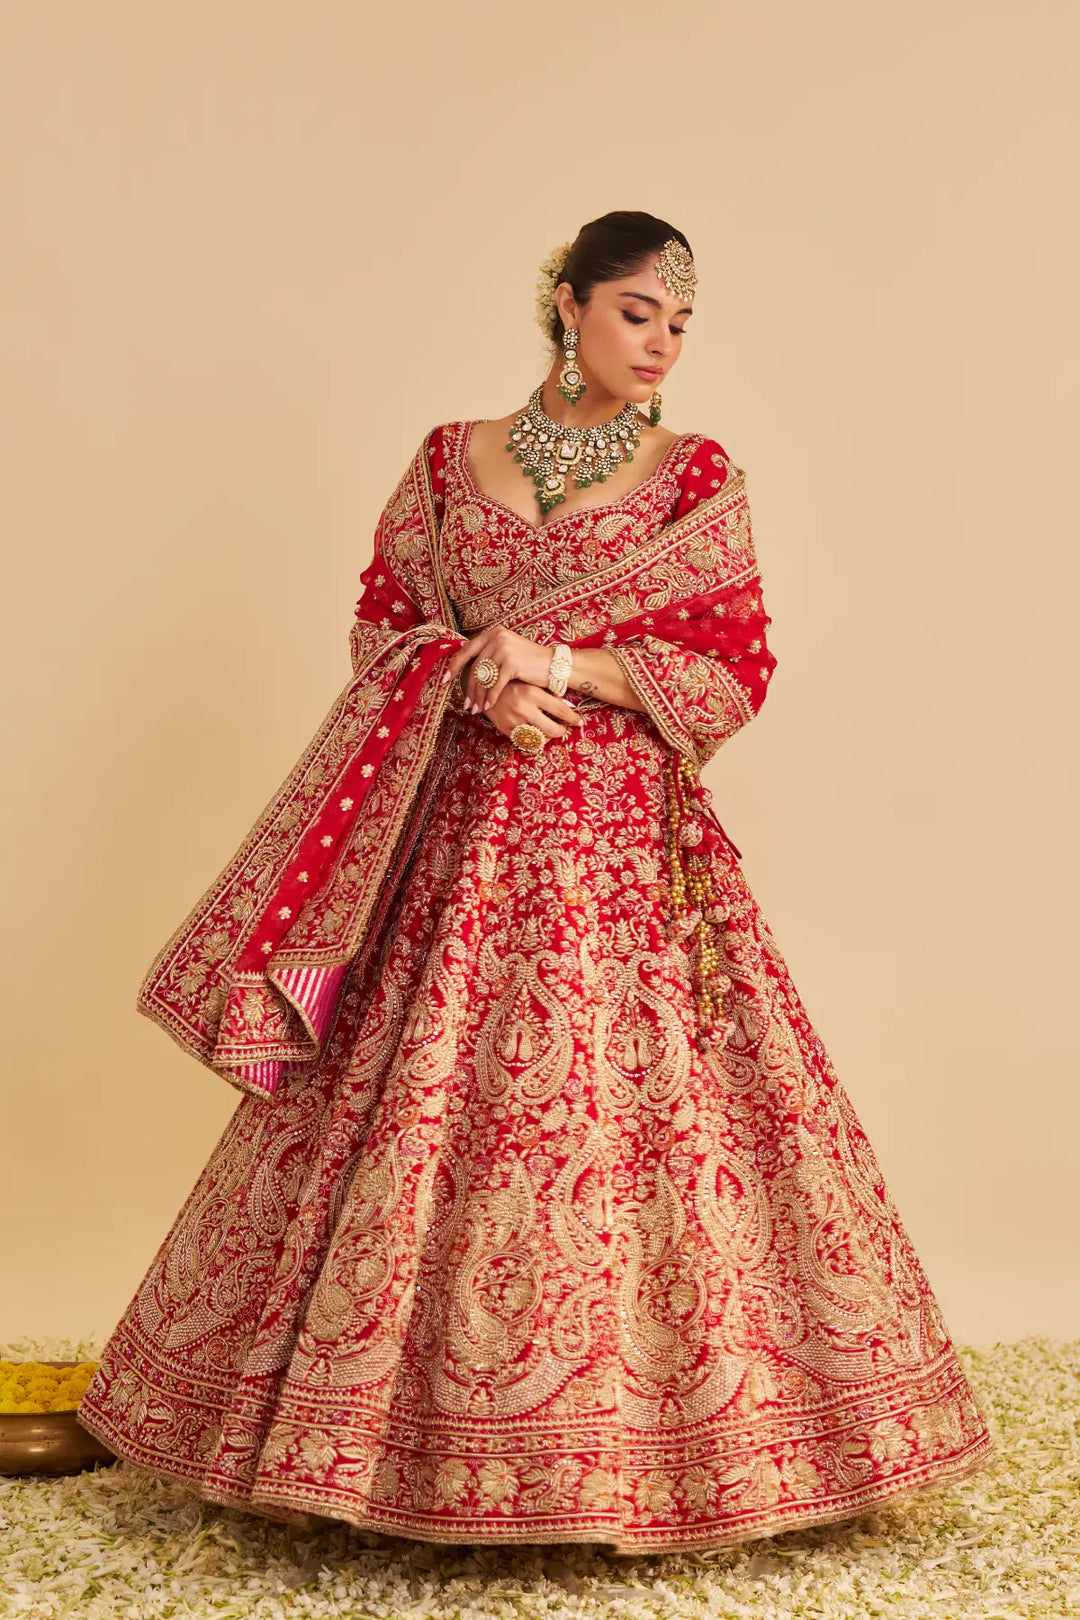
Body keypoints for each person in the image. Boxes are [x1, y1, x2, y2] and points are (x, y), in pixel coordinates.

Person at [77, 210, 996, 1554]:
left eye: (682, 323)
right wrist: (467, 670)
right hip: (446, 837)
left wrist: (556, 667)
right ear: (565, 304)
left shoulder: (697, 479)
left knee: (635, 1126)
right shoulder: (451, 463)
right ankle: (377, 1451)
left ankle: (654, 1448)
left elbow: (732, 668)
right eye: (638, 312)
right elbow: (384, 625)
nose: (662, 343)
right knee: (420, 1103)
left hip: (621, 849)